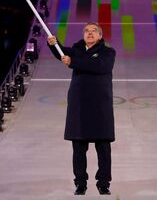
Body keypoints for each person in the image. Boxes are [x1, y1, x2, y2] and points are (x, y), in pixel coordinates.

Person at [47, 22, 116, 196]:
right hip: (79, 105)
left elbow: (101, 67)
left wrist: (73, 62)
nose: (90, 33)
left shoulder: (108, 53)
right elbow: (61, 53)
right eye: (87, 31)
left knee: (103, 148)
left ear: (100, 36)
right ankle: (80, 183)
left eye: (94, 31)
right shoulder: (76, 50)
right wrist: (53, 44)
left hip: (101, 107)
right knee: (78, 148)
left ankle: (103, 183)